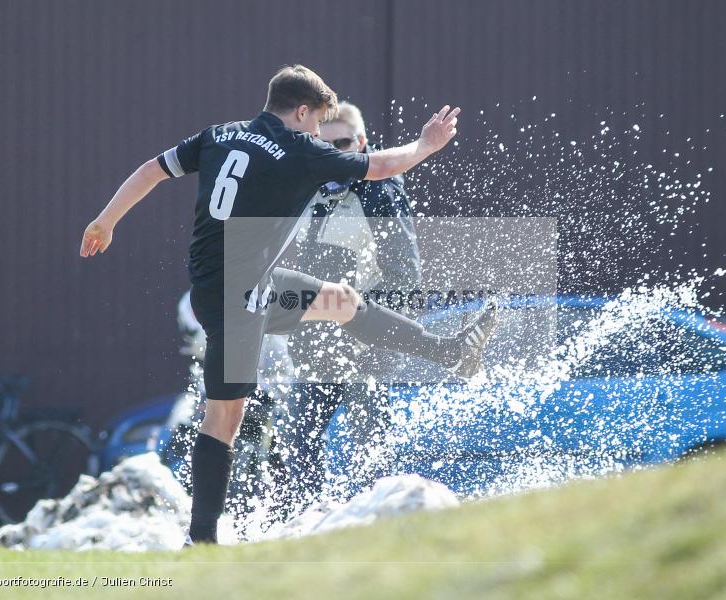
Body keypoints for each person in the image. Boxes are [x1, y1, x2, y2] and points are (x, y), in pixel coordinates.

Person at [79, 65, 498, 546]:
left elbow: (152, 169)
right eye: (319, 122)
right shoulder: (301, 149)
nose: (320, 133)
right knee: (225, 417)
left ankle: (450, 353)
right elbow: (382, 166)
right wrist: (426, 146)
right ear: (301, 112)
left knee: (341, 301)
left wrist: (104, 221)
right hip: (238, 300)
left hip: (240, 286)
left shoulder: (219, 135)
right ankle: (202, 540)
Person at [284, 101, 423, 506]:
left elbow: (405, 278)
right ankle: (304, 526)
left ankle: (380, 524)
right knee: (301, 443)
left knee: (370, 444)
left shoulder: (379, 191)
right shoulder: (314, 189)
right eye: (323, 145)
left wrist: (368, 334)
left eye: (342, 143)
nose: (333, 153)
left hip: (367, 338)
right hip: (317, 339)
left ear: (361, 143)